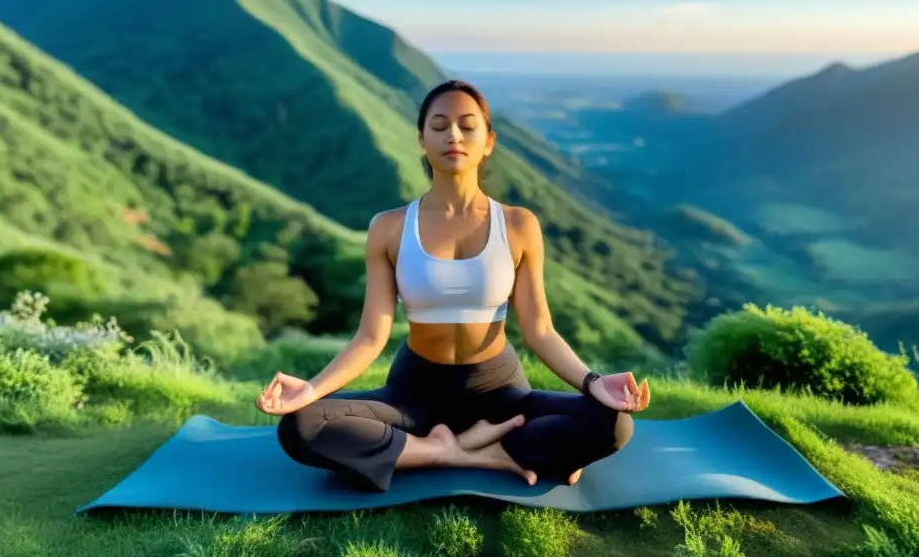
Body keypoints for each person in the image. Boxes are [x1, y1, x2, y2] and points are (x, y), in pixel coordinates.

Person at [255, 79, 651, 492]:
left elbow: (540, 330)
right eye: (440, 125)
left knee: (613, 425)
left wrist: (592, 381)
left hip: (500, 393)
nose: (454, 136)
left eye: (467, 125)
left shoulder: (519, 225)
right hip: (413, 395)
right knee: (302, 424)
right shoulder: (389, 228)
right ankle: (457, 452)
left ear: (489, 141)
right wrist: (314, 388)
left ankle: (432, 450)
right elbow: (371, 337)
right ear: (422, 140)